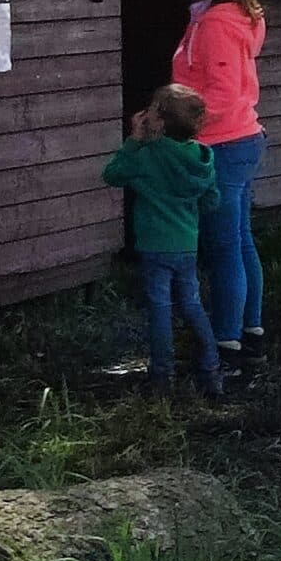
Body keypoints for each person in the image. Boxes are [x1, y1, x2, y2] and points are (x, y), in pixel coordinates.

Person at [171, 0, 266, 369]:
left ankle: (226, 341)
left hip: (222, 143)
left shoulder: (215, 24)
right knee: (240, 240)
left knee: (224, 244)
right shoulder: (224, 17)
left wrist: (177, 127)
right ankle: (249, 330)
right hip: (240, 137)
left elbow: (222, 95)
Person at [103, 83, 223, 398]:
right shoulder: (202, 158)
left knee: (160, 308)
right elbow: (212, 201)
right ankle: (210, 369)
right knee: (192, 305)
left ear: (161, 122)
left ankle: (162, 376)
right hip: (187, 244)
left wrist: (134, 139)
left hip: (155, 245)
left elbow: (112, 174)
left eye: (153, 110)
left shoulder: (148, 156)